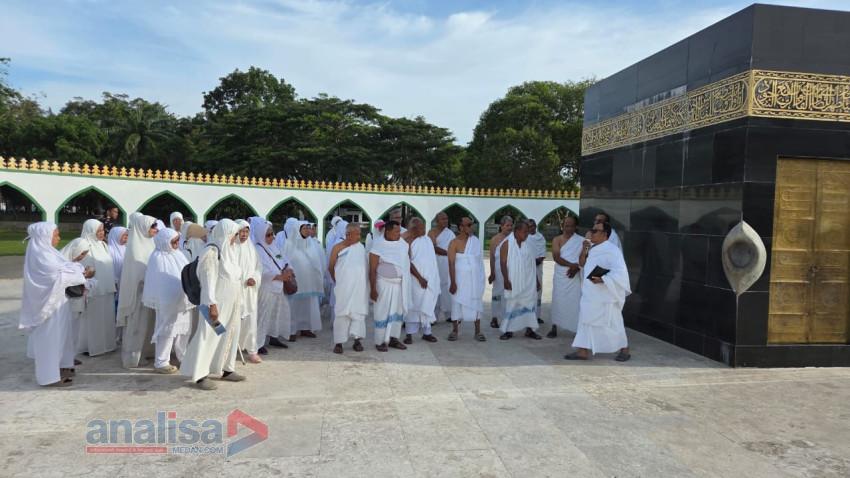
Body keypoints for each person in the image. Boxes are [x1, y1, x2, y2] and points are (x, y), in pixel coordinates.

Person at [20, 222, 93, 387]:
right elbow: (57, 275)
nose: (59, 238)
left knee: (62, 337)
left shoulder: (49, 253)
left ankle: (63, 366)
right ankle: (49, 377)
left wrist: (78, 271)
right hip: (48, 307)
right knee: (50, 340)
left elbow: (67, 268)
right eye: (55, 235)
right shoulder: (40, 256)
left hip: (59, 302)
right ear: (45, 237)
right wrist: (81, 273)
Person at [180, 219, 246, 390]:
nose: (235, 238)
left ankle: (226, 369)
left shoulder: (230, 252)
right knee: (208, 335)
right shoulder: (211, 252)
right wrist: (211, 305)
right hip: (214, 306)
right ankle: (200, 375)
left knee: (229, 333)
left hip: (231, 305)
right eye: (234, 234)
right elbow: (208, 280)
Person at [565, 222, 631, 362]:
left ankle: (624, 349)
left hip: (606, 295)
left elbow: (621, 273)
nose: (591, 232)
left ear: (604, 234)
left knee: (613, 323)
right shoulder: (592, 248)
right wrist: (584, 249)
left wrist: (603, 279)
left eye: (595, 231)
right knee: (585, 320)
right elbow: (582, 264)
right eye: (591, 229)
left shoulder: (612, 250)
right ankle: (583, 351)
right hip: (590, 293)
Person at [61, 219, 117, 357]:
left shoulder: (103, 245)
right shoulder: (85, 246)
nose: (102, 233)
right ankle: (90, 346)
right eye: (98, 231)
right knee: (92, 320)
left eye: (103, 230)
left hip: (106, 288)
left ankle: (106, 344)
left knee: (106, 317)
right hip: (92, 290)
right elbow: (82, 269)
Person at [142, 228, 193, 374]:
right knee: (167, 330)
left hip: (183, 299)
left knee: (184, 330)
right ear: (165, 241)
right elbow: (161, 283)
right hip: (168, 303)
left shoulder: (179, 254)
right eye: (174, 241)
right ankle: (161, 362)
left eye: (178, 240)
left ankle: (183, 355)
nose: (177, 243)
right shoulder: (158, 257)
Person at [116, 212, 158, 368]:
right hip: (138, 295)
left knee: (149, 325)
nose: (155, 229)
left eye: (155, 226)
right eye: (152, 226)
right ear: (143, 227)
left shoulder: (152, 244)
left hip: (150, 293)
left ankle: (146, 352)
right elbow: (135, 275)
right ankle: (132, 357)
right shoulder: (135, 247)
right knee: (137, 325)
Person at [250, 217, 294, 354]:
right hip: (266, 288)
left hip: (278, 287)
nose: (272, 237)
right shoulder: (256, 250)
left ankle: (273, 337)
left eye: (272, 234)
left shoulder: (273, 247)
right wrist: (279, 276)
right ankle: (257, 343)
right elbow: (260, 271)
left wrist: (289, 270)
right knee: (262, 315)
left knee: (277, 314)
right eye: (268, 235)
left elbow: (283, 259)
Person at [368, 220, 410, 352]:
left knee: (397, 313)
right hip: (383, 284)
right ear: (387, 231)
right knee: (382, 312)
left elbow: (406, 262)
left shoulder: (402, 245)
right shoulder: (378, 245)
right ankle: (380, 341)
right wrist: (373, 288)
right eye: (396, 232)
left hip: (399, 285)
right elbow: (372, 269)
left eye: (400, 231)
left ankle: (394, 339)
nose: (399, 234)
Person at [328, 222, 369, 354]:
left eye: (359, 234)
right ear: (348, 234)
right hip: (343, 288)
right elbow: (331, 267)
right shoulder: (337, 248)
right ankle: (339, 342)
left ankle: (357, 340)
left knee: (358, 313)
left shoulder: (360, 247)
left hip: (359, 288)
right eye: (357, 234)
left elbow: (364, 267)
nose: (359, 236)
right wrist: (338, 282)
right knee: (341, 314)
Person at [499, 220, 542, 340]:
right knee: (512, 305)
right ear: (517, 231)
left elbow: (532, 265)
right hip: (514, 281)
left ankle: (530, 330)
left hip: (528, 282)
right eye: (524, 232)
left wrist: (537, 280)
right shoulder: (506, 244)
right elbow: (502, 263)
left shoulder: (527, 245)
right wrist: (506, 280)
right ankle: (508, 330)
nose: (527, 235)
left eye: (528, 232)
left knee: (530, 305)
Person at [447, 217, 486, 342]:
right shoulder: (454, 243)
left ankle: (478, 331)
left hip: (474, 280)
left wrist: (480, 278)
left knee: (476, 303)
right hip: (459, 280)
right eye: (468, 225)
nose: (471, 227)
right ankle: (455, 330)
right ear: (461, 227)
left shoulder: (475, 241)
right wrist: (453, 282)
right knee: (456, 303)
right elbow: (451, 263)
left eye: (471, 224)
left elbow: (479, 262)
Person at [284, 220, 324, 340]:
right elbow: (285, 261)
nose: (307, 230)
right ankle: (291, 331)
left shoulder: (311, 243)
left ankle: (306, 328)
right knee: (294, 306)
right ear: (298, 230)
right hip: (296, 281)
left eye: (308, 228)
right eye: (304, 228)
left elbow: (316, 262)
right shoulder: (289, 243)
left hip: (309, 282)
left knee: (308, 305)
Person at [404, 217, 440, 344]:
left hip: (430, 279)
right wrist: (420, 278)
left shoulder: (427, 240)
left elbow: (431, 260)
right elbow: (407, 262)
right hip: (415, 280)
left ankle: (427, 333)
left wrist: (433, 278)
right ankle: (409, 334)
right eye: (421, 228)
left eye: (424, 227)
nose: (424, 230)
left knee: (428, 305)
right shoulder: (407, 241)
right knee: (413, 306)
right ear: (413, 229)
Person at [547, 216, 583, 338]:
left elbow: (585, 257)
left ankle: (576, 328)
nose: (568, 228)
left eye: (571, 225)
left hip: (575, 275)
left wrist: (576, 267)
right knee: (558, 299)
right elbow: (556, 257)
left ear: (575, 227)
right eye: (566, 225)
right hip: (561, 275)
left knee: (575, 301)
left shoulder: (581, 240)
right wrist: (570, 265)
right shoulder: (557, 239)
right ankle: (554, 327)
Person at [235, 219, 263, 364]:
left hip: (250, 291)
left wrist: (254, 278)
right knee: (234, 321)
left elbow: (258, 268)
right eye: (241, 231)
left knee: (251, 321)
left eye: (247, 231)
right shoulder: (231, 247)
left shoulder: (252, 248)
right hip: (235, 291)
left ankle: (252, 350)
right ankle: (233, 350)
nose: (244, 234)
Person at [428, 211, 455, 322]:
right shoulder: (432, 232)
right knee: (435, 288)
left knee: (447, 287)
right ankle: (433, 316)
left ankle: (449, 314)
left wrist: (451, 255)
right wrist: (448, 253)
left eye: (446, 219)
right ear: (437, 221)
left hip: (448, 264)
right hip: (436, 263)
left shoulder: (450, 233)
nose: (445, 221)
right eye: (443, 219)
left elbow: (454, 247)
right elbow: (433, 248)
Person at [488, 215, 513, 329]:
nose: (509, 227)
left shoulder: (514, 238)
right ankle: (495, 317)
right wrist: (492, 272)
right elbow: (492, 257)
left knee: (508, 295)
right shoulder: (495, 239)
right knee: (497, 294)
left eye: (511, 225)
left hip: (511, 271)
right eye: (507, 225)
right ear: (501, 226)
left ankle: (507, 317)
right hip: (498, 271)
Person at [526, 219, 547, 324]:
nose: (532, 228)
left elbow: (543, 253)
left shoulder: (540, 237)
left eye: (533, 226)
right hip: (526, 269)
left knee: (538, 292)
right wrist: (529, 263)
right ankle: (528, 316)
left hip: (538, 268)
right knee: (528, 293)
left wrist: (537, 260)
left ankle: (537, 316)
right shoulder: (524, 237)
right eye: (529, 226)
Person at [107, 226, 127, 295]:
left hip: (124, 281)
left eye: (127, 236)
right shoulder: (109, 250)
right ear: (116, 236)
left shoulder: (126, 248)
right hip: (113, 282)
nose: (126, 238)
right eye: (124, 236)